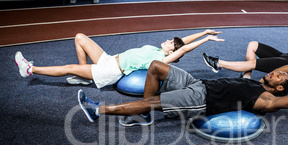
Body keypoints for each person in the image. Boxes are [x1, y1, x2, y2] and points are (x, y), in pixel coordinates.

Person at [77, 60, 288, 126]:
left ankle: (98, 110)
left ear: (279, 87)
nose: (275, 71)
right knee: (157, 67)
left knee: (154, 101)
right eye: (277, 72)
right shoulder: (260, 82)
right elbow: (284, 69)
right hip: (197, 84)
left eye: (279, 76)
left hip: (200, 100)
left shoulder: (267, 99)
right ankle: (147, 111)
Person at [14, 29, 224, 88]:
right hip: (108, 58)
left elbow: (182, 49)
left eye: (170, 43)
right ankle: (84, 75)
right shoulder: (158, 49)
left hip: (110, 71)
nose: (168, 40)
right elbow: (182, 41)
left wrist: (205, 41)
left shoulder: (161, 60)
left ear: (171, 52)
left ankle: (30, 69)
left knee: (68, 67)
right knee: (80, 37)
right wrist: (203, 31)